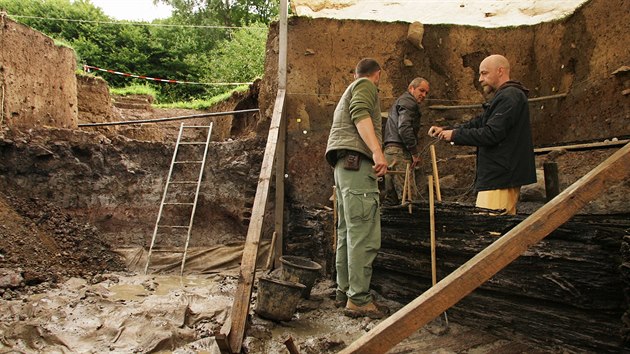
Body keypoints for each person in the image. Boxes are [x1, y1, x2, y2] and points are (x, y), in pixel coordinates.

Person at [428, 54, 536, 215]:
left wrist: (455, 135)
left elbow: (491, 133)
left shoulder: (509, 96)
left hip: (501, 177)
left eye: (484, 73)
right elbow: (480, 122)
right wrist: (446, 130)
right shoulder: (504, 96)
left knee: (489, 230)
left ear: (500, 71)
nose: (480, 79)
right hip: (500, 176)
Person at [325, 58, 388, 319]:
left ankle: (344, 291)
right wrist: (377, 151)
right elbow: (361, 114)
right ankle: (359, 299)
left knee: (347, 233)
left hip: (343, 168)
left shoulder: (351, 87)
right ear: (378, 75)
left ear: (355, 72)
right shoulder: (366, 86)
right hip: (357, 166)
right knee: (363, 234)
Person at [382, 77, 430, 205]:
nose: (424, 95)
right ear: (411, 88)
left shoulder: (401, 101)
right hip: (399, 153)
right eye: (421, 90)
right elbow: (404, 128)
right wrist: (414, 153)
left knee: (391, 199)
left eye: (426, 92)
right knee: (408, 199)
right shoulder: (409, 102)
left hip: (390, 153)